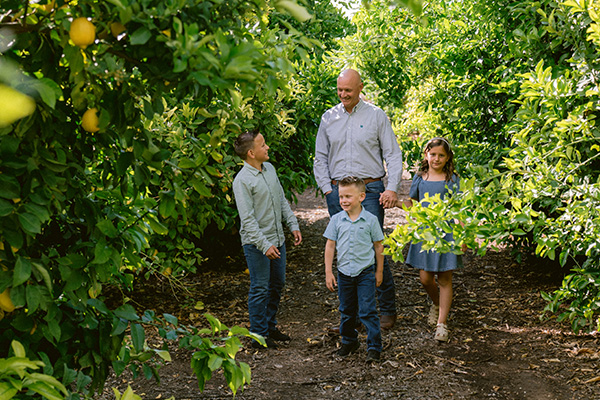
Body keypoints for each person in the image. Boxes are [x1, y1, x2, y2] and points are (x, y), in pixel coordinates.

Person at [314, 68, 403, 329]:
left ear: (360, 88)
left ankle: (386, 309)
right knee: (347, 250)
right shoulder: (328, 118)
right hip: (338, 193)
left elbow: (393, 154)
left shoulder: (376, 116)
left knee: (375, 247)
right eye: (340, 90)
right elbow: (320, 157)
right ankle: (351, 314)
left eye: (348, 91)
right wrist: (327, 190)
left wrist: (393, 188)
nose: (343, 95)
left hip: (371, 191)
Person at [232, 130, 302, 349]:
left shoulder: (270, 169)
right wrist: (264, 245)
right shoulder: (242, 181)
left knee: (277, 284)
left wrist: (292, 224)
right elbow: (248, 221)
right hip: (256, 245)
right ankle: (258, 335)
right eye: (263, 145)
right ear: (251, 153)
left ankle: (270, 326)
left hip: (277, 239)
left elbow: (281, 200)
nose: (268, 147)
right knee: (260, 287)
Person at [397, 137, 464, 342]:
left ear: (447, 157)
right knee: (425, 278)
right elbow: (414, 205)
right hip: (425, 232)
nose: (436, 158)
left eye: (441, 155)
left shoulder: (452, 179)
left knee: (444, 279)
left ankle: (442, 323)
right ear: (426, 155)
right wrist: (397, 203)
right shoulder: (420, 178)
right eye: (433, 154)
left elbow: (460, 209)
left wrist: (461, 234)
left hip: (447, 233)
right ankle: (436, 303)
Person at [324, 177, 384, 362]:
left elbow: (379, 246)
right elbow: (330, 246)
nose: (343, 200)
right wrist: (328, 272)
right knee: (346, 309)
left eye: (348, 196)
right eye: (341, 196)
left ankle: (374, 347)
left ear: (362, 196)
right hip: (344, 273)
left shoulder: (371, 220)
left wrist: (379, 271)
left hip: (365, 272)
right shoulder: (337, 220)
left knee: (367, 310)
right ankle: (349, 341)